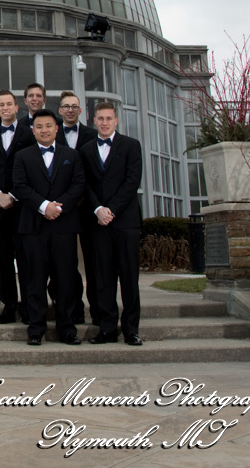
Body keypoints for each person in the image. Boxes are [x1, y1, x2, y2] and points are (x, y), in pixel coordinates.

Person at [13, 109, 86, 346]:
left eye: (48, 126)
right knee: (34, 280)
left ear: (56, 128)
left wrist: (59, 208)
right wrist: (44, 206)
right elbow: (20, 186)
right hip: (33, 227)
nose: (44, 130)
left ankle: (67, 329)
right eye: (39, 127)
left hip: (63, 226)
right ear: (33, 131)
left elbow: (78, 185)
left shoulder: (71, 155)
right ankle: (36, 329)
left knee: (65, 279)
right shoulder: (22, 156)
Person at [79, 101, 144, 346]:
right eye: (100, 118)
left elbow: (132, 181)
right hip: (97, 223)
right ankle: (106, 329)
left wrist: (111, 210)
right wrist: (97, 209)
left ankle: (131, 330)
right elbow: (84, 184)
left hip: (125, 222)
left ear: (116, 121)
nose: (104, 122)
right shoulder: (85, 150)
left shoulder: (131, 145)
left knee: (129, 278)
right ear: (94, 121)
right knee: (102, 278)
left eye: (109, 118)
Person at [0, 90, 34, 325]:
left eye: (8, 104)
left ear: (16, 108)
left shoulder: (28, 134)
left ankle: (29, 306)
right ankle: (9, 305)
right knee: (1, 259)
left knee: (25, 258)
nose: (4, 108)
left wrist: (12, 194)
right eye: (1, 104)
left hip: (22, 206)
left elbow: (31, 170)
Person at [55, 90, 100, 327]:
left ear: (80, 110)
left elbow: (95, 174)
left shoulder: (94, 135)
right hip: (65, 210)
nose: (70, 109)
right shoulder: (52, 134)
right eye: (66, 106)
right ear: (60, 111)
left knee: (93, 263)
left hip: (89, 208)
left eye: (74, 106)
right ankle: (75, 309)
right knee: (68, 264)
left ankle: (98, 309)